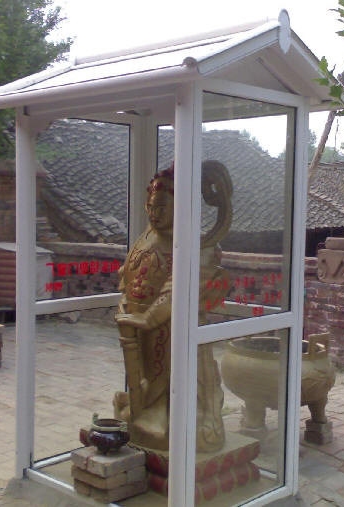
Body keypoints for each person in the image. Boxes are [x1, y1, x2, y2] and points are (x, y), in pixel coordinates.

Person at [114, 161, 232, 453]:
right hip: (141, 324)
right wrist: (126, 303)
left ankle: (172, 422)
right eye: (151, 207)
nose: (154, 214)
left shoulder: (197, 246)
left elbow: (180, 286)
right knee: (145, 374)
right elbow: (128, 273)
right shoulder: (147, 237)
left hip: (173, 327)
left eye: (162, 208)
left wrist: (149, 318)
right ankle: (143, 411)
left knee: (176, 379)